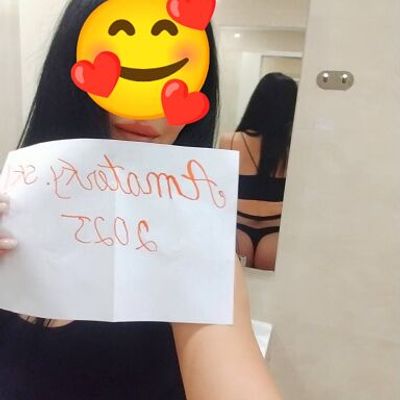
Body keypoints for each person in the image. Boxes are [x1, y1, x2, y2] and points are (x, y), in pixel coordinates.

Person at [0, 1, 282, 399]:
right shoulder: (12, 217)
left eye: (174, 78)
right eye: (122, 69)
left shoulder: (197, 251)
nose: (147, 110)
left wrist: (198, 260)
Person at [219, 73, 298, 271]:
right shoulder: (293, 149)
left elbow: (219, 192)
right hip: (276, 231)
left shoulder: (230, 141)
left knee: (235, 287)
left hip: (238, 228)